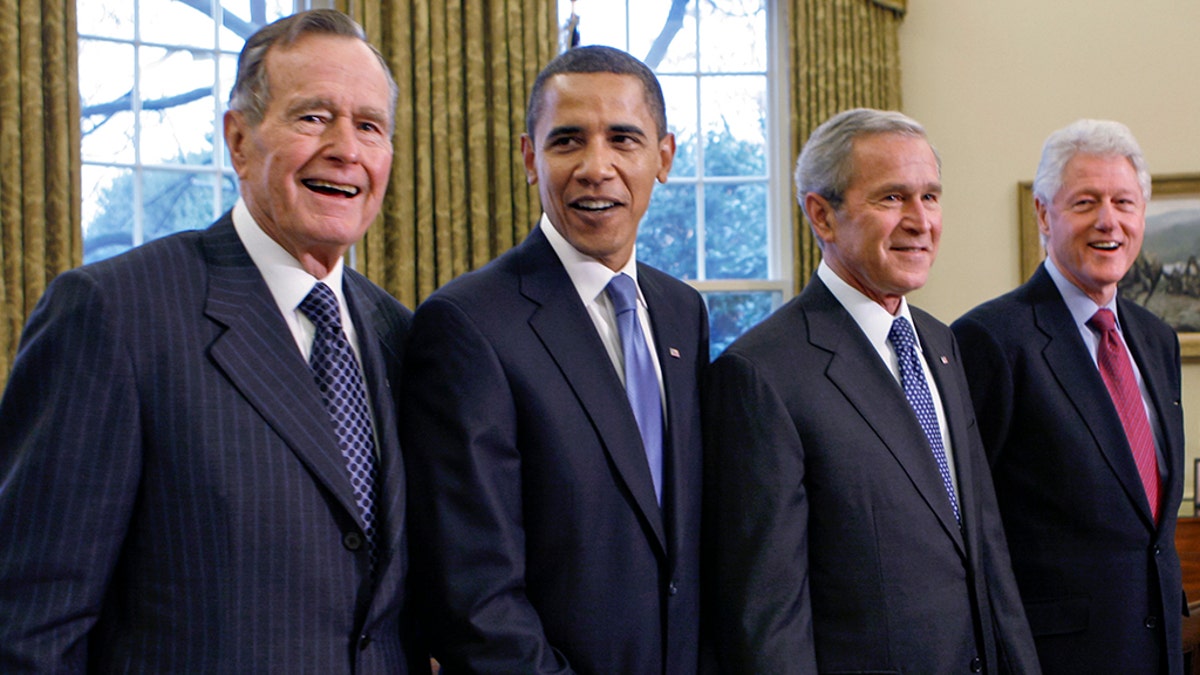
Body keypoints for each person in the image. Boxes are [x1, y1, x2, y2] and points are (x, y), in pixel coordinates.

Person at [0, 10, 427, 672]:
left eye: (369, 126)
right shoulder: (114, 313)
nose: (346, 148)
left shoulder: (403, 336)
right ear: (238, 139)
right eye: (313, 117)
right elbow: (29, 627)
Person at [399, 45, 708, 673]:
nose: (597, 167)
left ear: (664, 157)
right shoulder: (468, 324)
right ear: (529, 158)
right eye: (567, 141)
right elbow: (472, 600)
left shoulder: (683, 313)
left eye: (624, 139)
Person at [703, 108, 1040, 674]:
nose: (920, 220)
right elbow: (768, 617)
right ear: (822, 215)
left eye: (930, 197)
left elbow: (982, 542)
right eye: (891, 198)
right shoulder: (761, 373)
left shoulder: (941, 342)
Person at [952, 119, 1185, 674]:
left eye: (1124, 202)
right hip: (1053, 656)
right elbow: (969, 526)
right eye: (1085, 202)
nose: (1109, 221)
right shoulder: (989, 339)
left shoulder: (1156, 338)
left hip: (1161, 652)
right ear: (1043, 214)